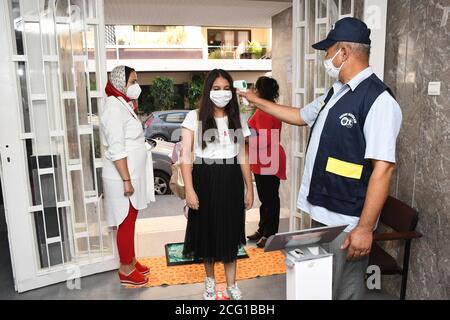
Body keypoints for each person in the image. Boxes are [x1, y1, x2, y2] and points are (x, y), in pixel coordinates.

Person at [239, 17, 402, 300]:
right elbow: (299, 116)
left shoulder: (378, 100)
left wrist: (364, 228)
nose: (326, 57)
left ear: (344, 52)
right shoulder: (334, 93)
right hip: (323, 212)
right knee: (327, 289)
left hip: (347, 218)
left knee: (341, 290)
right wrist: (256, 101)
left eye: (328, 51)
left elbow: (383, 170)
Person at [180, 69, 253, 300]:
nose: (221, 93)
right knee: (207, 233)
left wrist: (250, 188)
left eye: (226, 89)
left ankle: (232, 284)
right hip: (204, 179)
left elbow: (243, 155)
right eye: (216, 88)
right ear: (208, 90)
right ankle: (210, 282)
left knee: (230, 232)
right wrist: (189, 190)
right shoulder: (194, 116)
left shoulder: (238, 117)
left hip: (231, 180)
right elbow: (185, 156)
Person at [101, 65, 155, 286]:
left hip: (130, 175)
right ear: (121, 84)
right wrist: (126, 180)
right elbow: (116, 148)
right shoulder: (113, 108)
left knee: (130, 220)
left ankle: (131, 260)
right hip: (122, 178)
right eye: (133, 81)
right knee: (125, 221)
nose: (136, 86)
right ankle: (125, 269)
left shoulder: (122, 104)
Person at [246, 77, 287, 248]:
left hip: (268, 158)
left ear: (261, 91)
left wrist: (247, 138)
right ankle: (263, 230)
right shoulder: (267, 108)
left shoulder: (266, 111)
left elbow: (266, 138)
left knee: (270, 199)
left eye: (256, 88)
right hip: (264, 158)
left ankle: (269, 234)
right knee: (266, 198)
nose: (253, 90)